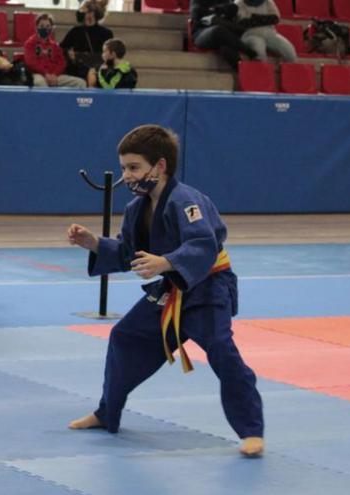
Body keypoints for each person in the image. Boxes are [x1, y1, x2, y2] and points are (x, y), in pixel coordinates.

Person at [66, 125, 265, 458]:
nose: (127, 176)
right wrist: (94, 243)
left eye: (134, 167)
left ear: (159, 166)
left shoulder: (186, 201)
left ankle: (251, 430)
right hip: (171, 289)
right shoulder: (137, 208)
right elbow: (129, 252)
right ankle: (107, 411)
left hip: (207, 289)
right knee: (124, 337)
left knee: (222, 351)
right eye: (124, 168)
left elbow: (203, 244)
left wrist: (167, 261)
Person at [191, 0, 257, 70]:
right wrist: (218, 12)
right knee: (218, 30)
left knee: (226, 48)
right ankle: (249, 52)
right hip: (201, 33)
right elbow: (197, 12)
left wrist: (216, 11)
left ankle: (244, 71)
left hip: (224, 34)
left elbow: (233, 8)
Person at [25, 14, 86, 88]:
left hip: (55, 76)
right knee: (40, 83)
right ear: (36, 27)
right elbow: (31, 62)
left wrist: (54, 74)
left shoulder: (55, 46)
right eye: (42, 26)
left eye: (48, 26)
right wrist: (45, 74)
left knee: (80, 83)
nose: (45, 28)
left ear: (52, 28)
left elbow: (62, 63)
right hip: (38, 74)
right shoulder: (30, 43)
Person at [60, 0, 113, 81]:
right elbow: (62, 48)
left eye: (90, 12)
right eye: (85, 12)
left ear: (96, 13)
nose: (87, 15)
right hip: (78, 69)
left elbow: (110, 54)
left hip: (98, 68)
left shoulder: (106, 33)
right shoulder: (75, 31)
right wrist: (69, 54)